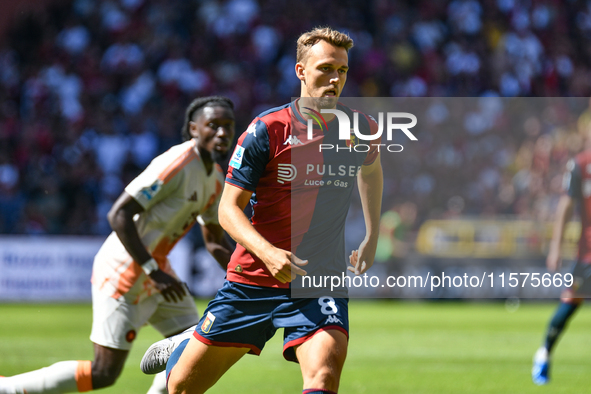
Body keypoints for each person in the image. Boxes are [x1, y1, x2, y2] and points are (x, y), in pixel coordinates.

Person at [141, 27, 383, 394]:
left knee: (323, 378)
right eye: (325, 69)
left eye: (343, 71)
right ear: (300, 71)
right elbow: (227, 210)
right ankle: (187, 342)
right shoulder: (266, 130)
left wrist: (372, 233)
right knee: (180, 389)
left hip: (319, 281)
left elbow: (371, 170)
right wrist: (268, 253)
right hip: (253, 280)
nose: (335, 80)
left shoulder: (360, 129)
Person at [0, 96, 236, 394]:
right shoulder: (176, 162)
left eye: (228, 126)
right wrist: (153, 271)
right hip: (124, 271)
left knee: (193, 347)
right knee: (104, 372)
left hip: (157, 272)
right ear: (193, 128)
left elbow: (214, 240)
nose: (222, 133)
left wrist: (244, 276)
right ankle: (7, 389)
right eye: (213, 125)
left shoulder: (215, 178)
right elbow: (119, 213)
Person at [532, 147, 591, 385]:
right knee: (569, 304)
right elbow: (566, 205)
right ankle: (544, 354)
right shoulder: (581, 164)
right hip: (588, 254)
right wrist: (556, 247)